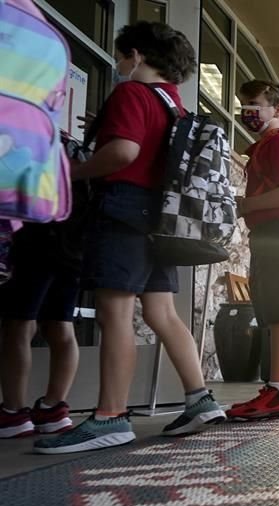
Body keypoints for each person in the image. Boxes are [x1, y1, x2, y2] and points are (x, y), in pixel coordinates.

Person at [35, 22, 225, 454]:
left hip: (124, 209)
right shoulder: (173, 105)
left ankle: (109, 417)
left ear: (136, 55)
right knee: (162, 312)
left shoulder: (131, 94)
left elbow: (124, 153)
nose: (120, 64)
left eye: (122, 56)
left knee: (114, 311)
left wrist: (72, 170)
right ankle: (199, 399)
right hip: (162, 218)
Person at [225, 80, 279, 421]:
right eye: (243, 104)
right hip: (272, 235)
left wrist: (248, 205)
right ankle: (276, 387)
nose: (247, 111)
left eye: (254, 104)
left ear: (276, 110)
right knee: (272, 313)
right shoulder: (263, 146)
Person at [0, 223, 80, 438]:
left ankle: (13, 413)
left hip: (32, 231)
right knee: (61, 322)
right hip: (73, 235)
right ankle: (53, 409)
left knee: (19, 322)